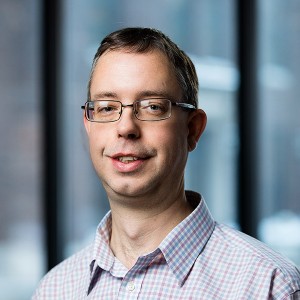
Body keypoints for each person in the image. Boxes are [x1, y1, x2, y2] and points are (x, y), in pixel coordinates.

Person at [33, 27, 300, 299]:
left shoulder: (269, 285)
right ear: (89, 126)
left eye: (152, 107)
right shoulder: (55, 289)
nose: (126, 127)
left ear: (193, 130)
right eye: (107, 107)